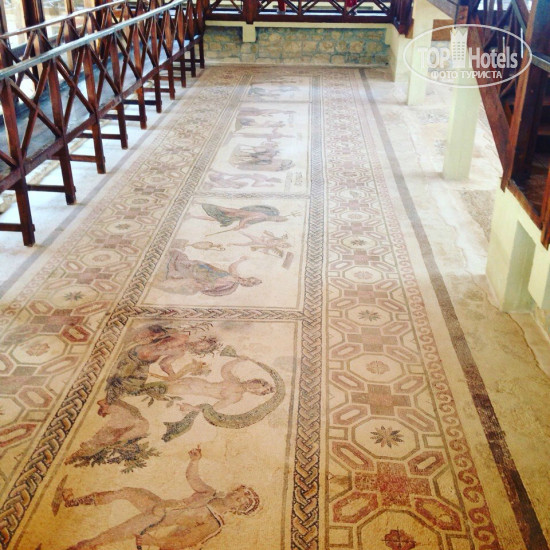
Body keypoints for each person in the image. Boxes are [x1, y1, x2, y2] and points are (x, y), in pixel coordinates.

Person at [62, 447, 260, 550]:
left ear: (238, 510)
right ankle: (73, 501)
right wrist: (195, 461)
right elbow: (193, 479)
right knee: (126, 491)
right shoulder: (211, 493)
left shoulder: (214, 522)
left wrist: (153, 540)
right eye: (239, 492)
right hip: (158, 505)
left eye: (241, 500)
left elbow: (185, 542)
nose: (237, 495)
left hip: (155, 520)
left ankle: (82, 547)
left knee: (109, 535)